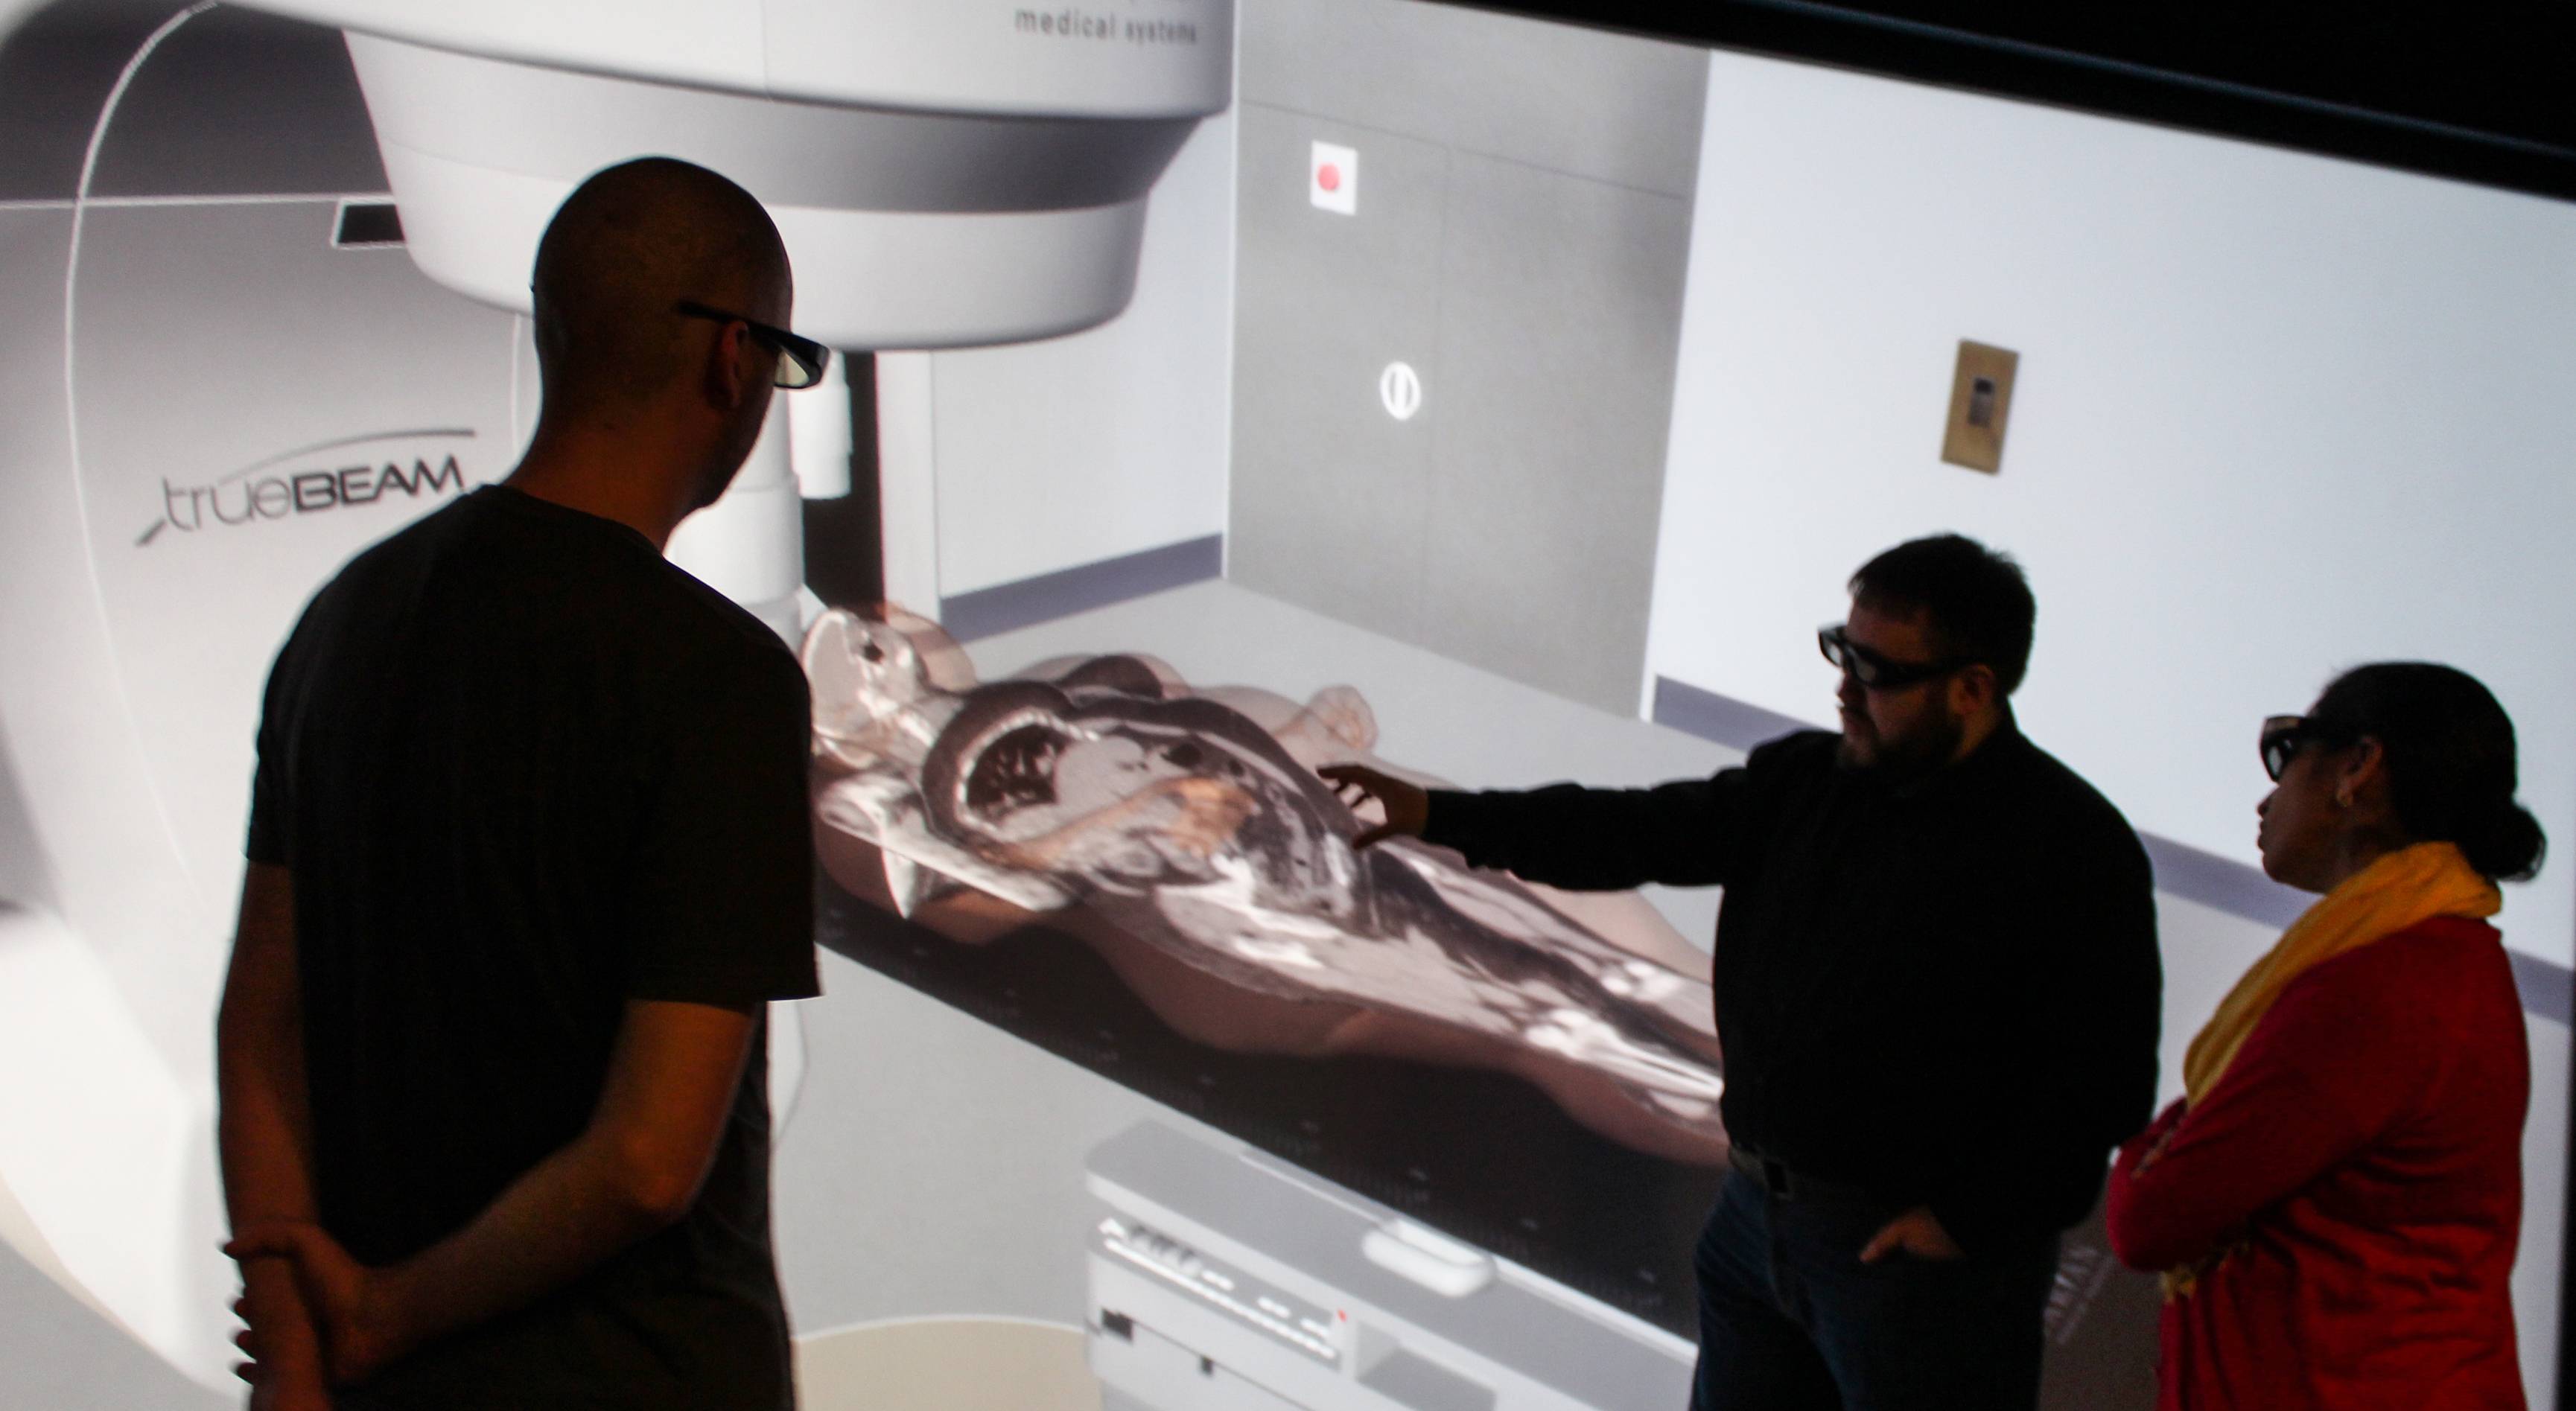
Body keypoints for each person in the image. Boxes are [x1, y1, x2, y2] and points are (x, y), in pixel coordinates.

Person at [215, 157, 830, 1410]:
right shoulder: (719, 682)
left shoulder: (348, 620)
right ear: (729, 361)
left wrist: (297, 1333)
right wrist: (383, 1315)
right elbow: (652, 1160)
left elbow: (259, 1025)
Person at [1325, 534, 2163, 1411]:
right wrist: (1439, 812)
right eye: (1840, 650)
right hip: (1754, 1222)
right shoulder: (1806, 780)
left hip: (1916, 1273)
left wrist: (1969, 1223)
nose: (1843, 688)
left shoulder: (2073, 850)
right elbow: (1634, 829)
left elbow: (2103, 1090)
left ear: (1974, 688)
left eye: (1874, 669)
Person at [2105, 663, 2544, 1410]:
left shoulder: (2383, 986)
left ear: (2359, 768)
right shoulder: (2437, 960)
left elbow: (2150, 1218)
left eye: (2285, 755)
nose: (2266, 795)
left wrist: (2161, 1140)